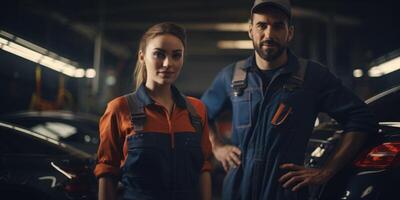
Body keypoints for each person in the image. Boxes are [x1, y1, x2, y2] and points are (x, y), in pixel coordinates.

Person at [201, 0, 378, 199]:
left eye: (278, 26)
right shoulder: (231, 76)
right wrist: (217, 147)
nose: (269, 34)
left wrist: (327, 171)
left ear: (290, 32)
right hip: (237, 191)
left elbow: (361, 118)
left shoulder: (313, 77)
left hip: (285, 190)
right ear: (251, 30)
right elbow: (200, 114)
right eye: (262, 25)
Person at [94, 22, 212, 200]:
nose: (168, 63)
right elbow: (107, 170)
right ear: (142, 57)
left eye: (176, 55)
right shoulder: (119, 108)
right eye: (159, 54)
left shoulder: (196, 110)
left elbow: (203, 167)